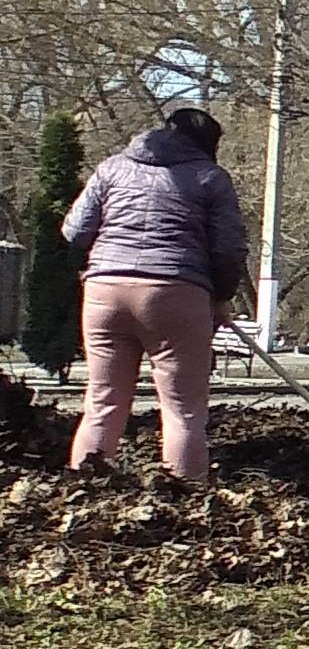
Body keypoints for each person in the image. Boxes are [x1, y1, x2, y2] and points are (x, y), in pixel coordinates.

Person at [63, 106, 247, 483]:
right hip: (175, 292)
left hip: (104, 292)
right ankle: (186, 501)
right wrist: (220, 298)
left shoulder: (113, 167)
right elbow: (229, 250)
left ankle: (82, 491)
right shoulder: (210, 178)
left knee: (102, 403)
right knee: (183, 411)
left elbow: (75, 231)